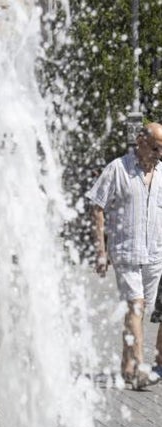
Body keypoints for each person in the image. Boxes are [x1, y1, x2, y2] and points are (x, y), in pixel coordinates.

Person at [88, 122, 162, 390]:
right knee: (136, 307)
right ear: (140, 141)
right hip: (126, 253)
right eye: (155, 148)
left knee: (139, 313)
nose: (159, 154)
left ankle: (126, 364)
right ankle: (141, 368)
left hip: (154, 256)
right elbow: (97, 206)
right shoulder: (117, 169)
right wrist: (101, 249)